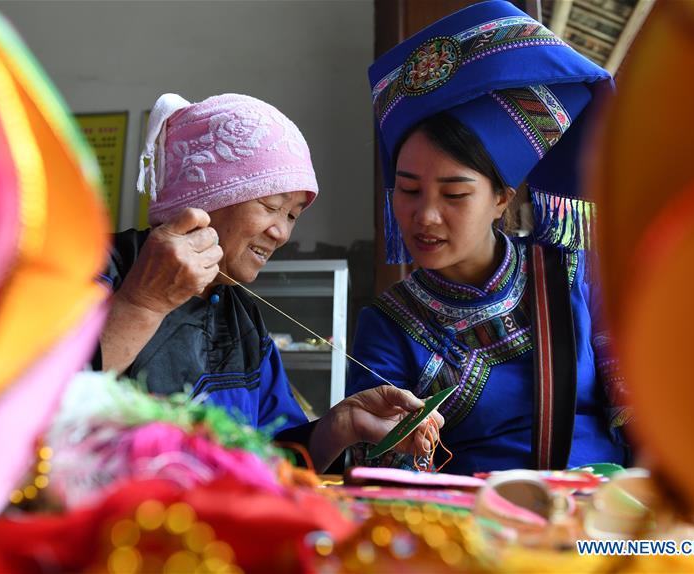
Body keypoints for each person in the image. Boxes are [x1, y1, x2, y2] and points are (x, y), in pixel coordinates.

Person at [347, 0, 632, 475]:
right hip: (474, 516)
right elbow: (376, 470)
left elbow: (641, 407)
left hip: (602, 505)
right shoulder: (390, 323)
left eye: (454, 194)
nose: (426, 216)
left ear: (502, 198)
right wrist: (397, 444)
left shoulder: (572, 274)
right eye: (409, 190)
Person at [93, 93, 442, 471]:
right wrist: (143, 303)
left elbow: (271, 459)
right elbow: (47, 400)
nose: (282, 233)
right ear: (207, 196)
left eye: (292, 215)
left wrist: (341, 425)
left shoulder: (240, 317)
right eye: (272, 207)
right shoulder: (100, 268)